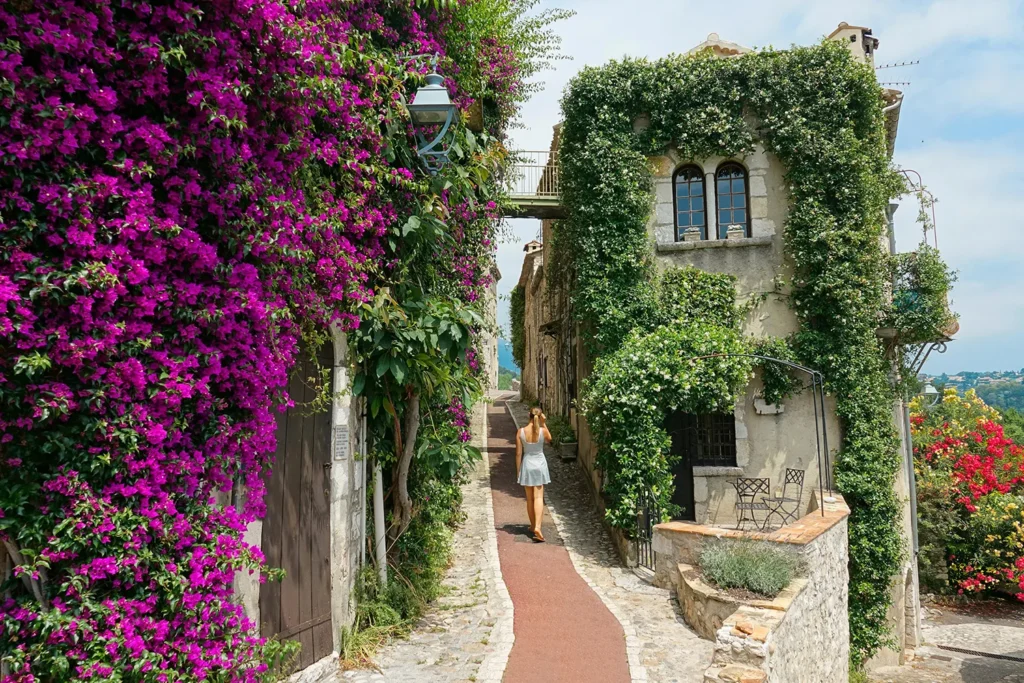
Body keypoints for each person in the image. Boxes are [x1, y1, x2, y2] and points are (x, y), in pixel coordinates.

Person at [515, 407, 552, 542]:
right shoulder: (542, 431)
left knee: (529, 499)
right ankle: (537, 526)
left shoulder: (521, 432)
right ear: (540, 416)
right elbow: (550, 439)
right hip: (539, 464)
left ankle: (532, 525)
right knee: (538, 498)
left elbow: (518, 453)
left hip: (527, 464)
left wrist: (519, 471)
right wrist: (543, 423)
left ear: (528, 415)